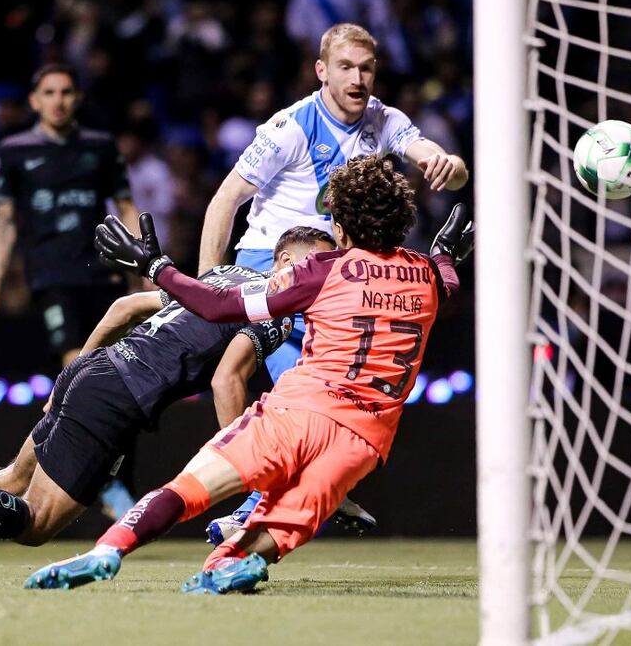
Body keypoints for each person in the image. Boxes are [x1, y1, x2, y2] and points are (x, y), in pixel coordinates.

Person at [24, 155, 472, 593]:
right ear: (402, 221)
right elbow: (447, 278)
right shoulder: (428, 276)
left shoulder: (321, 270)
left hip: (295, 414)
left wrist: (156, 267)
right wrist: (445, 253)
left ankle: (108, 551)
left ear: (340, 226)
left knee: (188, 491)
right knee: (268, 537)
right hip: (362, 442)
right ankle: (238, 563)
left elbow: (219, 306)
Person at [0, 226, 335, 580]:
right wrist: (240, 455)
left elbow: (123, 309)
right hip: (119, 397)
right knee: (36, 526)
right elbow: (226, 377)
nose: (323, 274)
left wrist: (70, 374)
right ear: (282, 260)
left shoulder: (221, 276)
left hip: (96, 370)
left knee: (14, 478)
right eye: (316, 263)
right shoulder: (277, 309)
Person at [198, 22, 469, 541]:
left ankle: (306, 488)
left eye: (367, 67)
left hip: (333, 277)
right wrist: (212, 280)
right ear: (321, 70)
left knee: (326, 392)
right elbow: (224, 201)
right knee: (268, 380)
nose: (358, 77)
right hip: (271, 267)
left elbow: (447, 167)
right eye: (346, 66)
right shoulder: (290, 127)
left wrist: (448, 164)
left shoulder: (384, 121)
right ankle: (256, 498)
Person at [0, 63, 142, 518]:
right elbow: (5, 225)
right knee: (80, 367)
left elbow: (126, 207)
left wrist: (145, 272)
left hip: (103, 277)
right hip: (51, 280)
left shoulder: (101, 148)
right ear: (34, 100)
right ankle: (92, 481)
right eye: (49, 92)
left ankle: (110, 478)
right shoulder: (13, 152)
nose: (59, 100)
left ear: (77, 98)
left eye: (67, 92)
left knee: (120, 377)